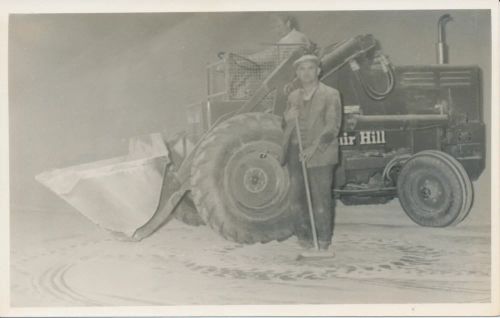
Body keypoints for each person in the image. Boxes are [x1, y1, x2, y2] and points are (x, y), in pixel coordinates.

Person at [281, 54, 342, 254]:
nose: (306, 73)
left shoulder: (331, 94)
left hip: (320, 154)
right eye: (301, 69)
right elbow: (286, 125)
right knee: (296, 199)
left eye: (310, 68)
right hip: (295, 153)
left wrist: (313, 148)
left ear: (318, 71)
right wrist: (287, 117)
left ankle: (323, 241)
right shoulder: (293, 96)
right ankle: (305, 239)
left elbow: (332, 127)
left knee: (320, 199)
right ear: (297, 73)